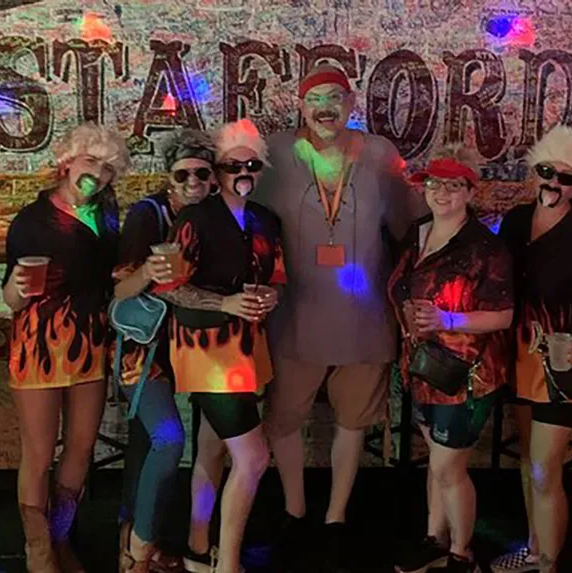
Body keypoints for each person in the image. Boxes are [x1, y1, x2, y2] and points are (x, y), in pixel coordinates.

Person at [253, 63, 422, 572]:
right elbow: (242, 218)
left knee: (354, 420)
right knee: (284, 416)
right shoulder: (276, 153)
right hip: (294, 314)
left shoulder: (378, 155)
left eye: (336, 97)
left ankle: (336, 515)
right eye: (315, 98)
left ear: (351, 104)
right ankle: (295, 509)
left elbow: (414, 226)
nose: (325, 107)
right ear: (300, 105)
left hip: (363, 315)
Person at [152, 119, 284, 573]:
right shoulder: (195, 219)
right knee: (253, 457)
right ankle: (227, 564)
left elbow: (278, 277)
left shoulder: (267, 219)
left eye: (251, 164)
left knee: (213, 447)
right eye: (232, 165)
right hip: (206, 350)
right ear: (218, 169)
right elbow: (168, 286)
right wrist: (225, 301)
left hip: (249, 349)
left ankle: (197, 548)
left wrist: (272, 295)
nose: (242, 172)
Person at [2, 123, 129, 573]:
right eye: (91, 161)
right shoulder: (31, 220)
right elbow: (11, 298)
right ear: (68, 162)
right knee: (38, 453)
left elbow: (112, 280)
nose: (98, 172)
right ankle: (38, 553)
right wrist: (18, 287)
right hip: (39, 342)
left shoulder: (108, 216)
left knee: (80, 447)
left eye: (109, 166)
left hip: (90, 343)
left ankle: (59, 540)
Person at [491, 126, 572, 573]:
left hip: (562, 367)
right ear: (535, 171)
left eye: (566, 178)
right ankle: (534, 547)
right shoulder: (514, 223)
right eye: (547, 172)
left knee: (544, 470)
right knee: (529, 463)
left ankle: (547, 563)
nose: (554, 184)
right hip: (517, 359)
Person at [389, 150, 514, 573]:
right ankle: (434, 537)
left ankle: (462, 553)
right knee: (437, 462)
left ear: (469, 192)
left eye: (453, 185)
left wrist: (447, 318)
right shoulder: (417, 232)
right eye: (434, 184)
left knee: (447, 467)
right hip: (422, 368)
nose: (441, 192)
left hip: (466, 375)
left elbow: (504, 314)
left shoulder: (486, 247)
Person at [113, 129, 217, 573]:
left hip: (197, 349)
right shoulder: (146, 215)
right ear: (169, 178)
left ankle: (135, 543)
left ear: (214, 178)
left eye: (202, 173)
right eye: (183, 174)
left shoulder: (218, 216)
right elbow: (119, 289)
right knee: (167, 438)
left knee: (147, 444)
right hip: (146, 350)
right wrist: (149, 273)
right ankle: (140, 547)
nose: (192, 181)